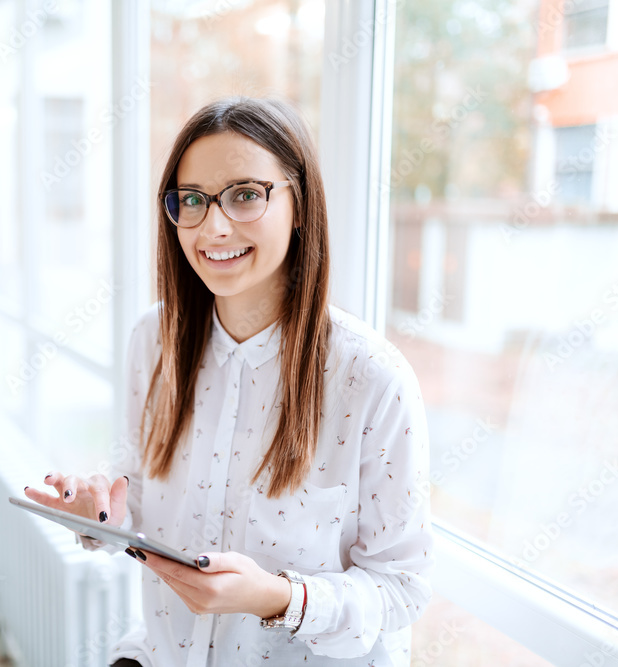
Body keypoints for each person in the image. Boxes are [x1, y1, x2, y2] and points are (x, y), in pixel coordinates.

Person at [24, 97, 432, 667]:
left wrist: (278, 598)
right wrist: (105, 513)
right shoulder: (154, 338)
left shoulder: (371, 377)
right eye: (191, 200)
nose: (213, 226)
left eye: (245, 195)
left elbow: (401, 588)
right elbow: (143, 490)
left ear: (299, 204)